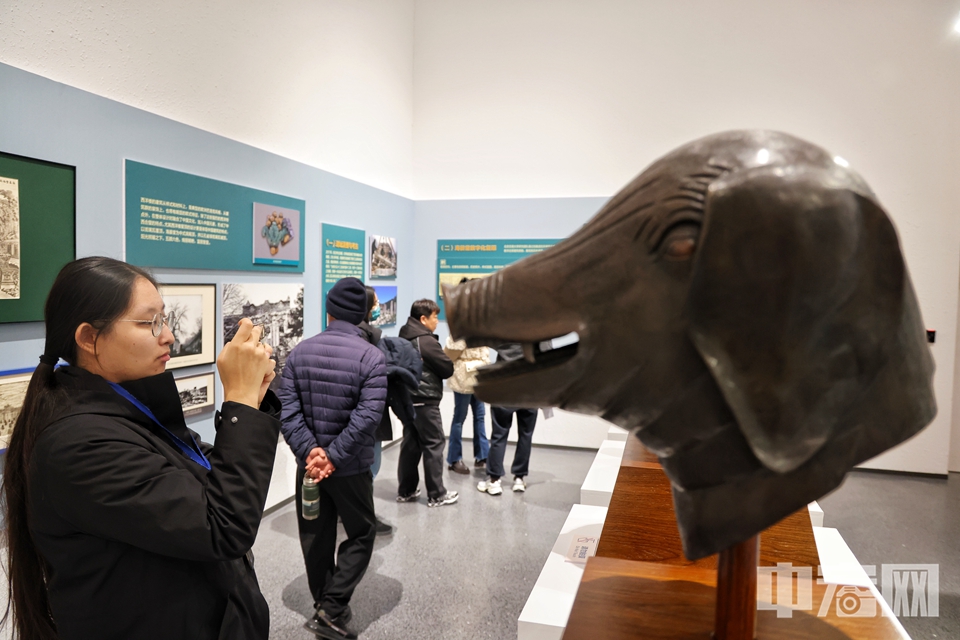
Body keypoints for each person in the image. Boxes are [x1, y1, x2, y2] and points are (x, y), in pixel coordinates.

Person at [3, 256, 280, 640]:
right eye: (149, 322)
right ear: (88, 339)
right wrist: (240, 406)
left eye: (164, 319)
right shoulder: (78, 444)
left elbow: (210, 478)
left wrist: (252, 399)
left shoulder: (130, 404)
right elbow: (222, 525)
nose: (167, 335)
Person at [277, 277, 386, 640]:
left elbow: (287, 411)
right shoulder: (371, 356)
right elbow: (368, 416)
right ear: (362, 316)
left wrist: (313, 454)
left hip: (309, 470)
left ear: (328, 311)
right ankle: (332, 607)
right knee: (362, 532)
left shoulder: (299, 352)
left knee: (315, 534)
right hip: (351, 467)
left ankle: (324, 604)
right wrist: (334, 457)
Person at [396, 299, 459, 507]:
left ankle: (406, 490)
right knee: (433, 444)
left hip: (408, 399)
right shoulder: (426, 341)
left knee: (411, 445)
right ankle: (437, 494)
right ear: (423, 319)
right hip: (425, 400)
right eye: (434, 318)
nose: (437, 322)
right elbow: (447, 368)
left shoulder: (404, 335)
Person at [477, 344, 540, 495]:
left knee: (499, 435)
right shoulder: (539, 328)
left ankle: (494, 480)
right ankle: (519, 478)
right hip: (530, 390)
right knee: (526, 435)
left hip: (504, 387)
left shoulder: (507, 326)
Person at [443, 282, 491, 474]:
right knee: (463, 418)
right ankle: (456, 459)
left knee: (475, 417)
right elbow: (454, 350)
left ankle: (480, 456)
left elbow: (452, 351)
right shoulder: (471, 320)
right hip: (469, 376)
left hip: (475, 375)